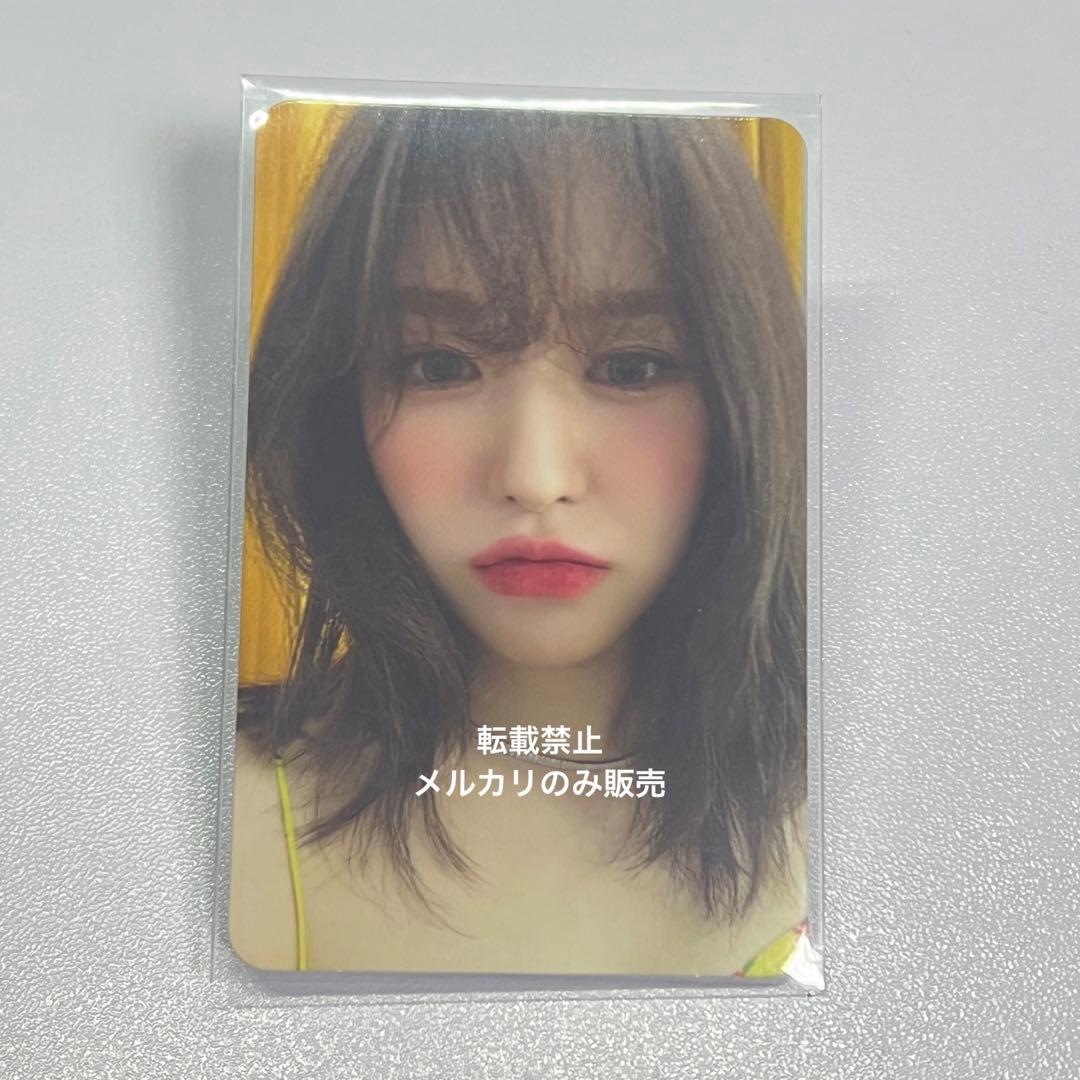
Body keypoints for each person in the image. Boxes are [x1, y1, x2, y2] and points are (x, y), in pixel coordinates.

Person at [229, 104, 808, 977]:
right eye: (440, 365)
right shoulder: (220, 822)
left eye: (632, 366)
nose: (535, 478)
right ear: (339, 403)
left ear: (741, 397)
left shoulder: (888, 803)